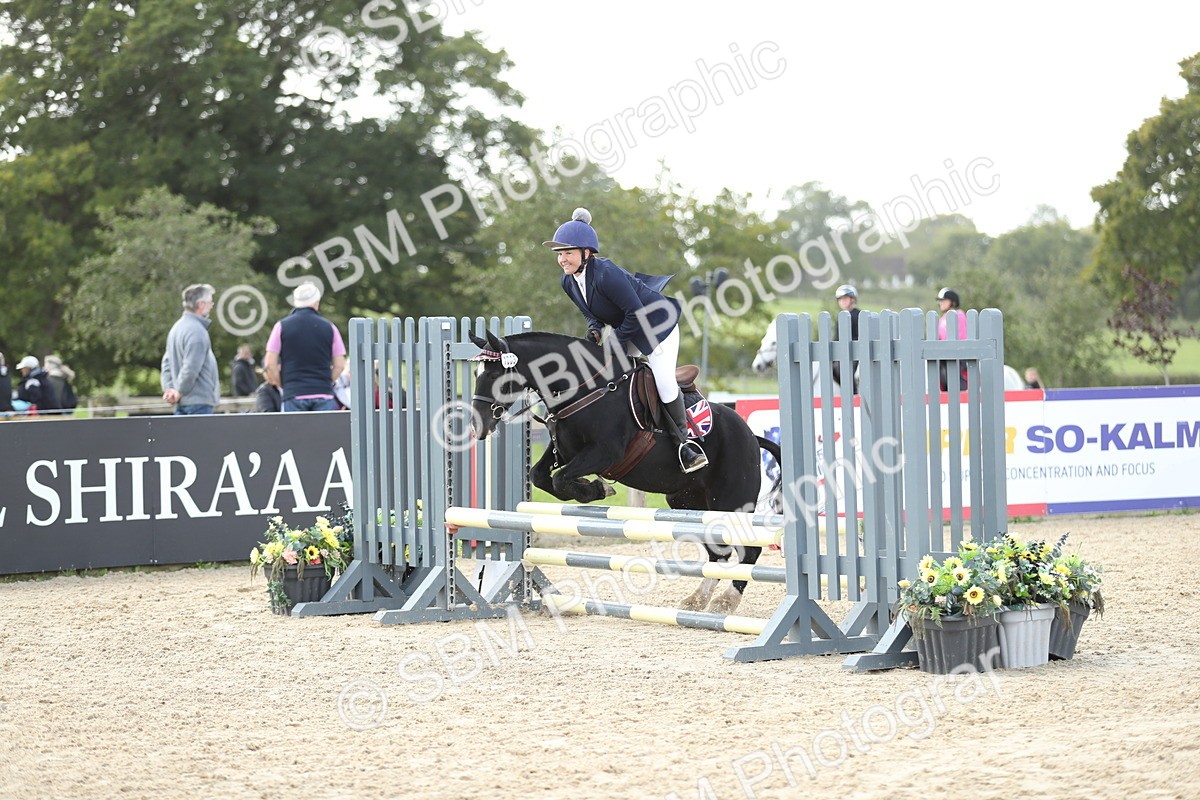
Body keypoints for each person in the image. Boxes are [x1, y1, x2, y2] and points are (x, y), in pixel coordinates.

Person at [542, 207, 707, 473]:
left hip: (657, 325)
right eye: (560, 254)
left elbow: (637, 312)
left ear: (587, 253)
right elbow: (591, 314)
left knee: (664, 383)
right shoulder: (568, 281)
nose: (563, 259)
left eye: (568, 253)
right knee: (605, 372)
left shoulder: (607, 273)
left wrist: (616, 341)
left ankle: (684, 445)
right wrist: (595, 331)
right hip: (630, 327)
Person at [263, 281, 346, 412]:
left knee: (295, 433)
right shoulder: (330, 328)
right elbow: (340, 364)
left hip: (294, 393)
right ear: (316, 302)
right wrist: (325, 381)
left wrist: (284, 384)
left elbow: (269, 363)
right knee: (324, 433)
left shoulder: (281, 327)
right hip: (323, 393)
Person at [161, 283, 220, 415]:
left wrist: (169, 388)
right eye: (210, 302)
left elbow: (166, 364)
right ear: (201, 305)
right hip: (198, 403)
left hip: (182, 403)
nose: (211, 306)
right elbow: (190, 369)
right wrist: (179, 391)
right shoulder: (197, 332)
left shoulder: (176, 328)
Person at [936, 287, 968, 391]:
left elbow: (961, 335)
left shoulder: (959, 315)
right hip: (943, 358)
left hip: (958, 357)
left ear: (952, 302)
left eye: (943, 300)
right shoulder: (941, 319)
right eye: (939, 301)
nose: (940, 303)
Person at [831, 284, 862, 393]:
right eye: (840, 299)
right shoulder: (840, 316)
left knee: (845, 369)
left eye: (845, 298)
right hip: (842, 351)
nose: (843, 301)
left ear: (852, 299)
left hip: (855, 352)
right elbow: (836, 337)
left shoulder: (858, 315)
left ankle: (853, 393)